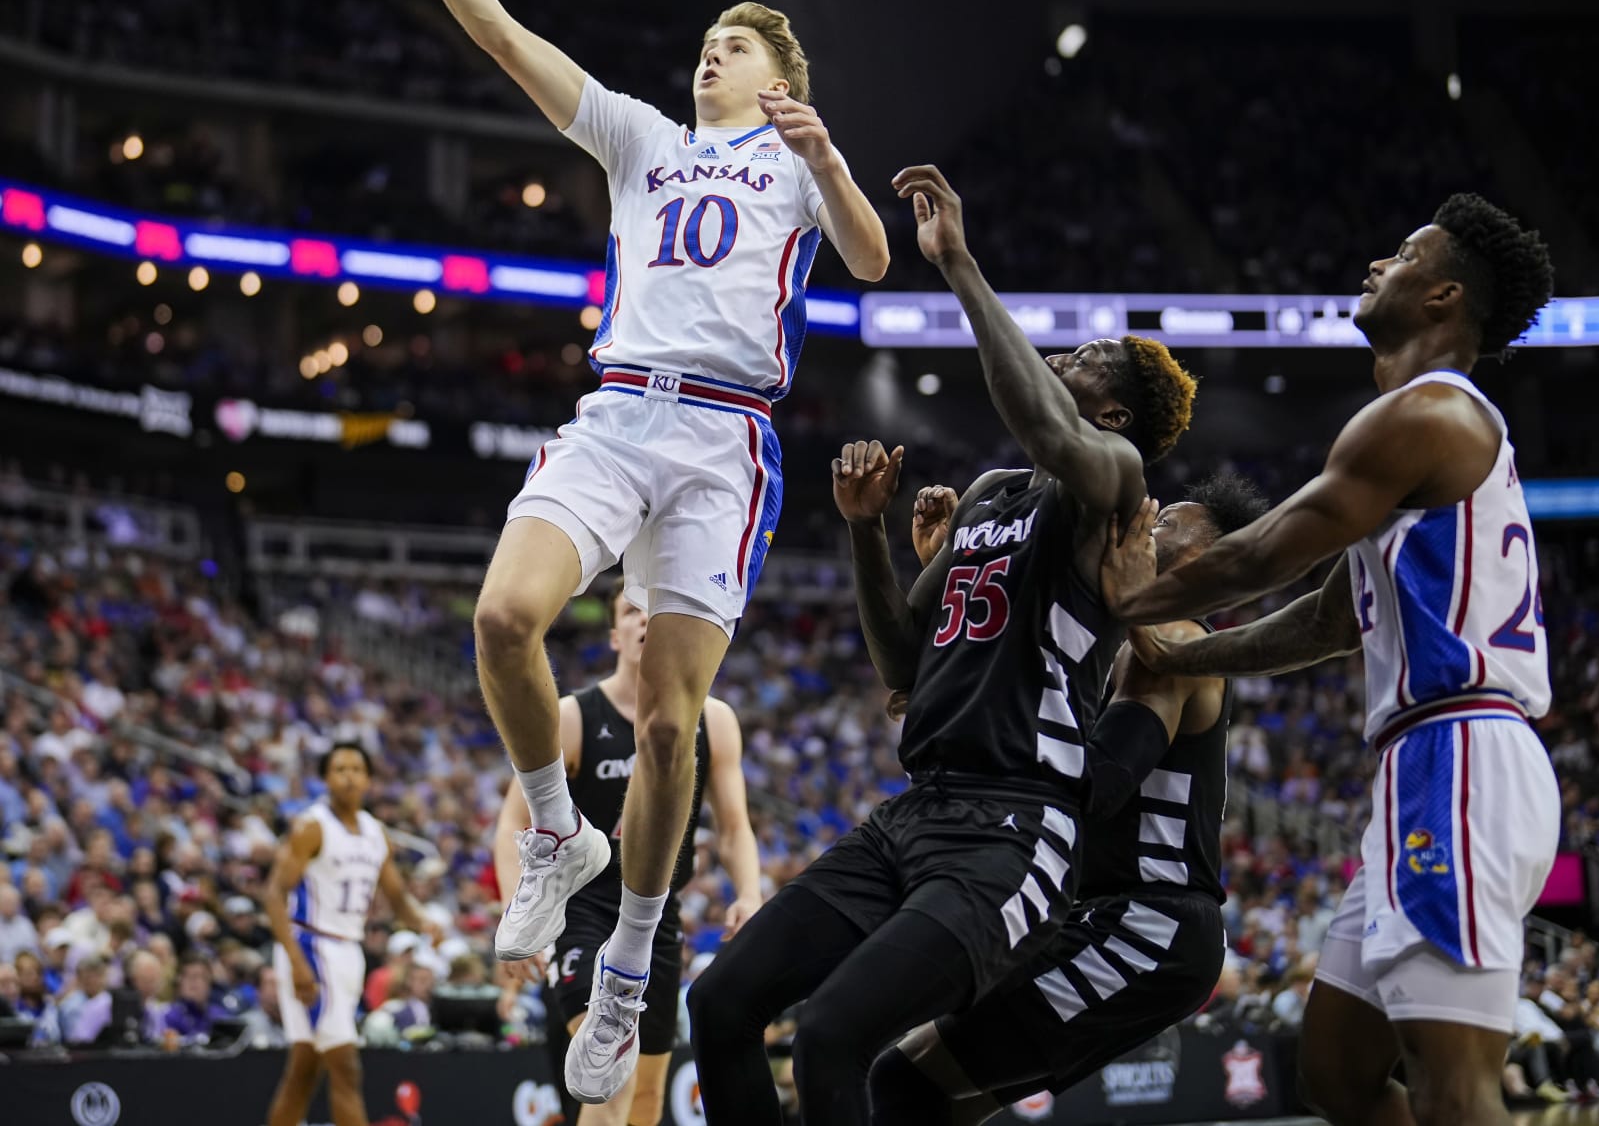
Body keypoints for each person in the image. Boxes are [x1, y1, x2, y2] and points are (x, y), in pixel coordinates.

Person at [373, 0, 888, 1113]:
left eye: (739, 40)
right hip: (617, 411)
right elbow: (504, 40)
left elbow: (876, 262)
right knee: (502, 618)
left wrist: (827, 156)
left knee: (669, 724)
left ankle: (628, 961)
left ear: (781, 72)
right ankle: (556, 829)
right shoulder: (643, 138)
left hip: (724, 440)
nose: (713, 48)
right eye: (709, 38)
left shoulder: (795, 160)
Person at [687, 163, 1199, 1126]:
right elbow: (901, 665)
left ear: (1118, 415)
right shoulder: (995, 496)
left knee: (834, 1036)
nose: (1064, 358)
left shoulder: (1113, 482)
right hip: (919, 809)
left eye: (1086, 358)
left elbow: (1047, 426)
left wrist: (957, 262)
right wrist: (863, 532)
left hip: (1018, 828)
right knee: (720, 1003)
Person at [1102, 194, 1559, 1126]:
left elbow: (1262, 553)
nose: (1373, 265)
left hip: (1459, 758)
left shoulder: (1426, 412)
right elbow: (1323, 622)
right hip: (1422, 765)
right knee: (1339, 1074)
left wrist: (1115, 601)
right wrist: (1181, 645)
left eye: (1401, 254)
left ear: (1443, 296)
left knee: (1455, 1086)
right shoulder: (1415, 435)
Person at [869, 478, 1266, 1124]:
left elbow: (1099, 783)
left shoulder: (1169, 643)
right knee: (938, 1099)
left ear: (1205, 563)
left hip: (1145, 922)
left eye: (1165, 525)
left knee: (901, 1077)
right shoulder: (1127, 640)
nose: (1144, 521)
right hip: (1123, 919)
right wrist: (952, 575)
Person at [494, 585, 763, 1126]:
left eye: (657, 607)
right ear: (615, 634)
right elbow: (511, 825)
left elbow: (734, 827)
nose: (646, 619)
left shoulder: (716, 720)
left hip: (658, 916)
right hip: (583, 911)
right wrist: (514, 911)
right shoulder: (574, 715)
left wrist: (751, 893)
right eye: (632, 610)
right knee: (609, 1087)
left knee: (646, 1099)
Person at [264, 742, 437, 1126]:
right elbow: (274, 895)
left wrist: (424, 922)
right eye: (339, 768)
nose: (348, 776)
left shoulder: (377, 833)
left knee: (304, 1072)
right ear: (325, 778)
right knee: (346, 1068)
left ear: (369, 779)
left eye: (356, 768)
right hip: (310, 945)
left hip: (347, 951)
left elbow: (396, 895)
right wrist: (295, 963)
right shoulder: (312, 826)